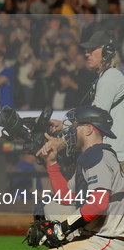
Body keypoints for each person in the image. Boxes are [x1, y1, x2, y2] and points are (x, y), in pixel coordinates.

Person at [21, 106, 124, 250]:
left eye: (75, 126)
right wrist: (51, 163)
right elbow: (66, 198)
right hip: (98, 235)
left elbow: (98, 204)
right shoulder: (91, 156)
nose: (70, 131)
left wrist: (63, 228)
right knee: (48, 207)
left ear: (89, 129)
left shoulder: (97, 155)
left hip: (108, 239)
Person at [47, 31, 124, 168]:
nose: (87, 54)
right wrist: (63, 126)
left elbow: (93, 122)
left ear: (107, 51)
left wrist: (60, 142)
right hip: (113, 156)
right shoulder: (106, 77)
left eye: (92, 49)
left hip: (117, 158)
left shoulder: (110, 78)